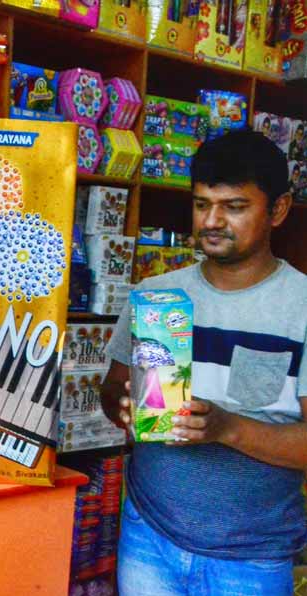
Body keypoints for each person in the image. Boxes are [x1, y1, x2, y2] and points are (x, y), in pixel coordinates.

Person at [101, 130, 307, 595]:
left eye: (234, 206)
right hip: (149, 538)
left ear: (277, 209)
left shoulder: (302, 307)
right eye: (201, 204)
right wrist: (123, 407)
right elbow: (111, 388)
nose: (212, 221)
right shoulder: (156, 294)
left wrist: (225, 428)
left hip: (251, 560)